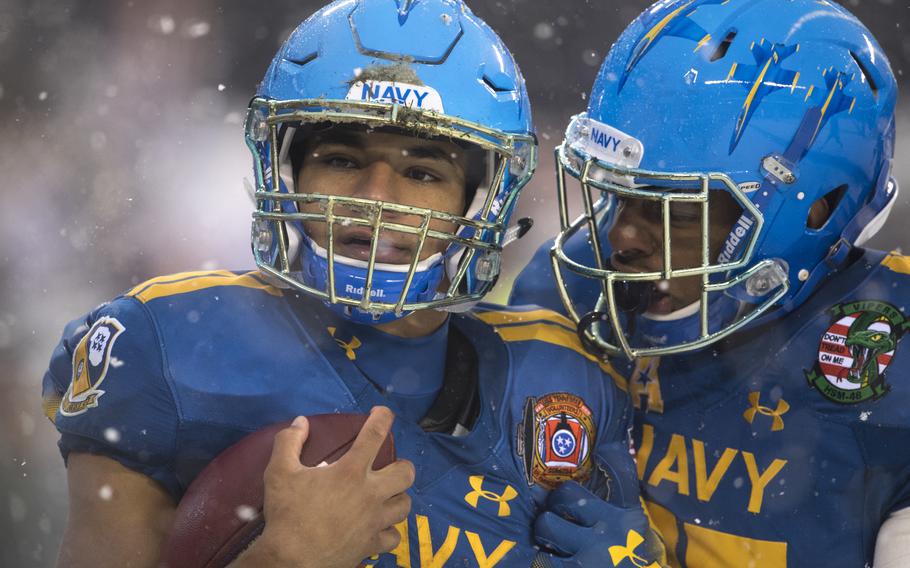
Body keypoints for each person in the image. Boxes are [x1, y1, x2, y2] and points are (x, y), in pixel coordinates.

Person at [42, 1, 661, 566]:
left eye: (421, 172)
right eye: (342, 160)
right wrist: (285, 558)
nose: (375, 198)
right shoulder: (167, 345)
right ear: (286, 170)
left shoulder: (561, 376)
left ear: (479, 203)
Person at [510, 0, 910, 566]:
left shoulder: (890, 349)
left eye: (676, 210)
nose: (622, 238)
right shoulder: (570, 290)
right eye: (620, 194)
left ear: (815, 210)